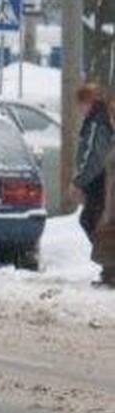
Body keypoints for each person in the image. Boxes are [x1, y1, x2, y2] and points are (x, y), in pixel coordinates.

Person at [72, 83, 113, 287]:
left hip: (100, 181)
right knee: (99, 224)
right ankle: (109, 269)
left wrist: (79, 181)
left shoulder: (97, 122)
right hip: (102, 181)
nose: (80, 109)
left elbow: (93, 156)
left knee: (92, 221)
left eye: (82, 104)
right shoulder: (99, 118)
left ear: (88, 102)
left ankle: (111, 268)